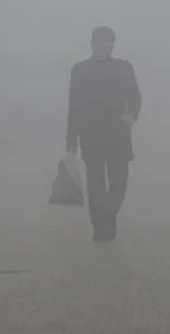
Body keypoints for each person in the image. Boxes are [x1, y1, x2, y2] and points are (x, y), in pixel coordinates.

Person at [67, 26, 142, 241]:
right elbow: (74, 106)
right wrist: (71, 140)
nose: (104, 45)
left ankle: (107, 215)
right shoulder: (80, 70)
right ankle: (100, 228)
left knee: (120, 182)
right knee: (96, 184)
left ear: (112, 44)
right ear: (92, 44)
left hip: (118, 133)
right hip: (91, 134)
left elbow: (135, 96)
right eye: (100, 41)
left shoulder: (123, 67)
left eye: (108, 41)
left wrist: (132, 114)